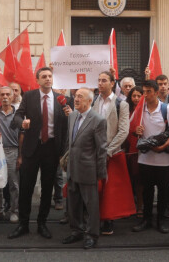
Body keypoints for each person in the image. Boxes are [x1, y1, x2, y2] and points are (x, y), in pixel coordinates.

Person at [8, 67, 69, 240]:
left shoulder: (62, 99)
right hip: (31, 149)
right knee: (26, 187)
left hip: (51, 148)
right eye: (44, 76)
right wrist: (23, 123)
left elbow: (66, 126)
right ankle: (23, 224)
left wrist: (62, 151)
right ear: (38, 80)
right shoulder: (29, 96)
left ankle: (42, 223)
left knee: (47, 187)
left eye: (50, 76)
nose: (48, 79)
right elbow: (16, 117)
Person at [62, 88, 107, 249]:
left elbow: (101, 149)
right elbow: (70, 142)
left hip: (88, 169)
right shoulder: (72, 115)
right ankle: (76, 231)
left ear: (89, 101)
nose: (76, 99)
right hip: (73, 168)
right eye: (75, 96)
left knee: (91, 205)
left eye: (80, 97)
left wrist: (101, 173)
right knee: (72, 203)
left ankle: (92, 235)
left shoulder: (98, 120)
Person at [132, 79, 169, 234]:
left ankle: (160, 221)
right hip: (145, 158)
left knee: (164, 192)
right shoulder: (140, 108)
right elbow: (132, 129)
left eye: (148, 92)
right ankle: (146, 219)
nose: (145, 95)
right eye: (144, 91)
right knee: (147, 191)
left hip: (164, 160)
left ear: (157, 92)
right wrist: (136, 131)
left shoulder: (166, 109)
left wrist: (163, 147)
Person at [93, 71, 129, 235]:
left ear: (113, 83)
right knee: (95, 187)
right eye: (99, 80)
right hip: (93, 151)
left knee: (109, 189)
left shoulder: (121, 104)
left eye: (104, 80)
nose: (100, 83)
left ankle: (108, 220)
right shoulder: (94, 101)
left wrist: (109, 150)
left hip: (111, 152)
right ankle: (94, 218)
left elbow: (123, 131)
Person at [0, 86, 19, 223]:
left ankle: (14, 211)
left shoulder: (19, 114)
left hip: (13, 150)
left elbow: (23, 135)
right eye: (2, 94)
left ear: (13, 96)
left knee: (14, 183)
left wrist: (21, 156)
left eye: (8, 94)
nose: (5, 97)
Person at [125, 85, 144, 216]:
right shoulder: (125, 110)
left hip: (142, 149)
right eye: (134, 96)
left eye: (139, 95)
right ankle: (129, 205)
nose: (136, 98)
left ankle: (141, 206)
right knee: (129, 179)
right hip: (127, 148)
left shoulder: (145, 110)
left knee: (139, 180)